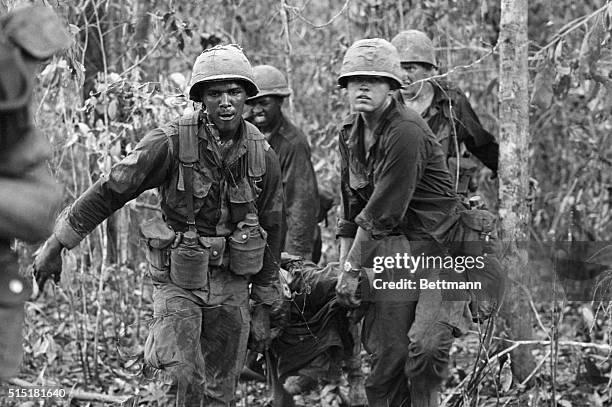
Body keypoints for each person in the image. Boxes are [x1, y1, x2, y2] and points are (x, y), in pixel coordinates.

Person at [33, 44, 284, 406]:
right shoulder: (169, 142)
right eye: (215, 93)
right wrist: (57, 244)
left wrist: (264, 301)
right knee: (183, 377)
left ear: (247, 96)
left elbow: (274, 225)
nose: (226, 102)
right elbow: (111, 189)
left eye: (234, 92)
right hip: (180, 281)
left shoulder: (263, 154)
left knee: (221, 390)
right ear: (200, 99)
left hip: (233, 282)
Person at [334, 38, 473, 407]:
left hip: (441, 253)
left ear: (393, 87)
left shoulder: (406, 129)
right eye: (355, 80)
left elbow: (381, 212)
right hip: (393, 255)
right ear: (345, 87)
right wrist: (343, 272)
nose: (363, 87)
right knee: (385, 363)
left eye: (374, 80)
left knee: (425, 350)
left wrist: (352, 269)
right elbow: (351, 213)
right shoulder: (349, 132)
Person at [0, 6, 71, 381]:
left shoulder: (13, 108)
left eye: (39, 61)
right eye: (28, 57)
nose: (32, 70)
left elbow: (41, 205)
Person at [391, 29, 499, 197]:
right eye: (398, 69)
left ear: (428, 70)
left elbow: (480, 143)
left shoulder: (451, 101)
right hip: (399, 200)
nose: (403, 76)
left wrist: (510, 172)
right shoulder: (388, 105)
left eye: (410, 68)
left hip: (443, 202)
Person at [245, 65, 320, 261]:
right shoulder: (241, 131)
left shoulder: (293, 144)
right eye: (252, 103)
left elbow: (300, 205)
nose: (257, 110)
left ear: (279, 102)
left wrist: (295, 259)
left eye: (264, 103)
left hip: (284, 237)